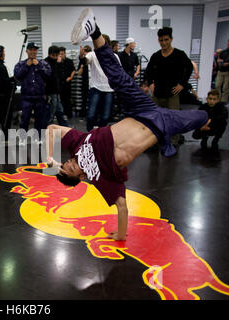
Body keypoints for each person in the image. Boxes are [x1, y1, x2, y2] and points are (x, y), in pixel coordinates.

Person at [48, 8, 209, 241]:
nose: (70, 161)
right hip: (159, 126)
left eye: (66, 162)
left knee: (116, 76)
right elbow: (121, 206)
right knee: (200, 117)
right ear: (80, 178)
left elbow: (52, 130)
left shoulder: (76, 145)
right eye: (70, 168)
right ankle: (212, 116)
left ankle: (94, 30)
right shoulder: (99, 178)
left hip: (139, 109)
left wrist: (51, 163)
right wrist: (121, 235)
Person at [145, 27, 193, 146]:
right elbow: (148, 71)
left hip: (172, 93)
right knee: (156, 119)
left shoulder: (179, 54)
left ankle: (173, 141)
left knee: (173, 119)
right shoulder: (155, 56)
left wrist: (182, 84)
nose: (164, 43)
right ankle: (155, 140)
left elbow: (189, 68)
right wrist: (150, 83)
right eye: (161, 40)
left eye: (166, 39)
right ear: (158, 41)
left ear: (171, 39)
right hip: (157, 93)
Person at [79, 35, 119, 132]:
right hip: (95, 87)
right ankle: (89, 133)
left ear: (107, 43)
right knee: (90, 115)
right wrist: (81, 56)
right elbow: (84, 61)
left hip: (109, 89)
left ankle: (99, 134)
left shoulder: (114, 56)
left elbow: (119, 71)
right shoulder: (92, 54)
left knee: (105, 116)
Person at [14, 42, 51, 145]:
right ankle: (22, 138)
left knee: (40, 119)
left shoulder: (43, 63)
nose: (33, 51)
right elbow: (17, 76)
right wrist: (26, 66)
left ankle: (37, 137)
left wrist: (38, 65)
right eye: (31, 49)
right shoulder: (21, 64)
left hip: (40, 96)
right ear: (27, 51)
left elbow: (48, 76)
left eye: (35, 49)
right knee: (24, 119)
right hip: (27, 96)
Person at [45, 45, 68, 127]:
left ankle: (65, 129)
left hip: (56, 91)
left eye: (56, 55)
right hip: (50, 91)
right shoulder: (46, 63)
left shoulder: (58, 62)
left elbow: (61, 75)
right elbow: (50, 76)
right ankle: (47, 130)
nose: (55, 57)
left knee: (59, 111)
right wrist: (57, 64)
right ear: (49, 54)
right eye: (53, 55)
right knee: (51, 112)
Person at [59, 47, 76, 119]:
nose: (61, 55)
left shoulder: (69, 61)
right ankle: (61, 115)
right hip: (59, 84)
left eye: (62, 54)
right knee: (61, 100)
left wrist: (70, 77)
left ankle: (69, 115)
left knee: (68, 99)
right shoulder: (57, 62)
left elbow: (73, 70)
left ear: (65, 53)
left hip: (67, 83)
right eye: (59, 54)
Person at [77, 45, 92, 118]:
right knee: (84, 99)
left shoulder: (92, 60)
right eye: (85, 52)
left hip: (93, 83)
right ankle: (83, 114)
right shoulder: (82, 61)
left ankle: (91, 114)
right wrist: (81, 67)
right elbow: (79, 73)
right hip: (85, 82)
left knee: (92, 100)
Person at [215, 38, 229, 103]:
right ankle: (217, 99)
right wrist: (219, 61)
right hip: (220, 71)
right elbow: (218, 60)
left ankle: (223, 101)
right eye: (228, 44)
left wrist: (228, 63)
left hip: (228, 72)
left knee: (225, 87)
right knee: (217, 85)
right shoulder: (223, 52)